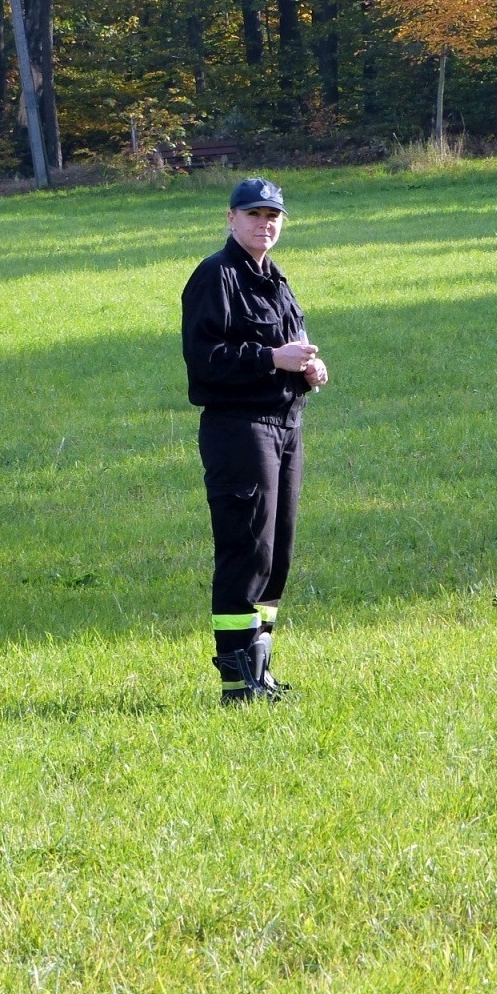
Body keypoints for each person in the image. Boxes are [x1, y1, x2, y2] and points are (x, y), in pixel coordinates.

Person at [181, 177, 327, 703]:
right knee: (246, 546)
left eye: (273, 216)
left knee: (276, 550)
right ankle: (237, 680)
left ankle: (260, 665)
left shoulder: (277, 279)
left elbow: (291, 342)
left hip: (286, 424)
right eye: (254, 215)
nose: (265, 224)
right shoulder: (215, 276)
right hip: (239, 427)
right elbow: (204, 362)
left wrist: (308, 368)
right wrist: (270, 360)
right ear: (231, 218)